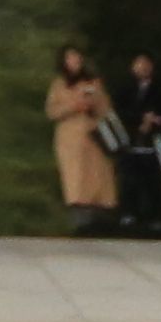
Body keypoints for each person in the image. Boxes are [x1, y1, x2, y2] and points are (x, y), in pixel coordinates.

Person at [46, 44, 121, 236]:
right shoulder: (59, 83)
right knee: (75, 181)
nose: (74, 61)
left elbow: (106, 110)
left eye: (77, 57)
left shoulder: (94, 82)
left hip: (94, 137)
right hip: (70, 140)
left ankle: (100, 221)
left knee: (97, 179)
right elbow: (52, 111)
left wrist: (93, 102)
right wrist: (74, 105)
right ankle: (79, 222)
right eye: (70, 58)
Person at [114, 51, 161, 235]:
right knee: (129, 180)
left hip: (154, 142)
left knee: (153, 181)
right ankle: (128, 214)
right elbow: (119, 113)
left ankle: (157, 217)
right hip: (130, 139)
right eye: (139, 63)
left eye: (146, 64)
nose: (143, 67)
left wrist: (155, 120)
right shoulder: (125, 89)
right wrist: (140, 119)